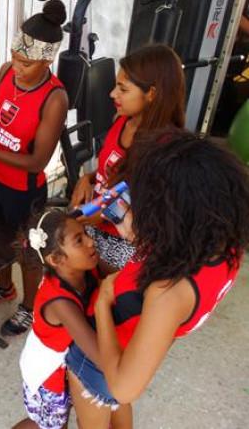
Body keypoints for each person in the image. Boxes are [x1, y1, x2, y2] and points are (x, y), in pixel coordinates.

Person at [66, 129, 249, 428]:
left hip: (99, 360)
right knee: (120, 409)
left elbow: (124, 387)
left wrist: (102, 305)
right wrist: (131, 227)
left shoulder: (168, 293)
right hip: (134, 343)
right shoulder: (223, 245)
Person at [0, 0, 68, 336]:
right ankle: (5, 288)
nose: (17, 66)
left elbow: (38, 161)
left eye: (26, 62)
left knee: (26, 250)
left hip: (23, 188)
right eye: (15, 58)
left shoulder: (54, 98)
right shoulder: (6, 72)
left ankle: (29, 308)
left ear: (47, 59)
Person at [69, 44, 185, 270]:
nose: (113, 94)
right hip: (96, 224)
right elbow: (114, 169)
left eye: (123, 89)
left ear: (151, 94)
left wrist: (103, 216)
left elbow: (150, 216)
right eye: (115, 86)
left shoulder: (164, 151)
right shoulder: (123, 120)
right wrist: (89, 179)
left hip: (123, 243)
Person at [13, 210, 131, 429]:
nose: (90, 241)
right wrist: (104, 300)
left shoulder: (86, 268)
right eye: (79, 240)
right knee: (52, 426)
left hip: (66, 359)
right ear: (56, 259)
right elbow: (98, 355)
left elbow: (127, 279)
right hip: (47, 371)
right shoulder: (60, 303)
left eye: (85, 233)